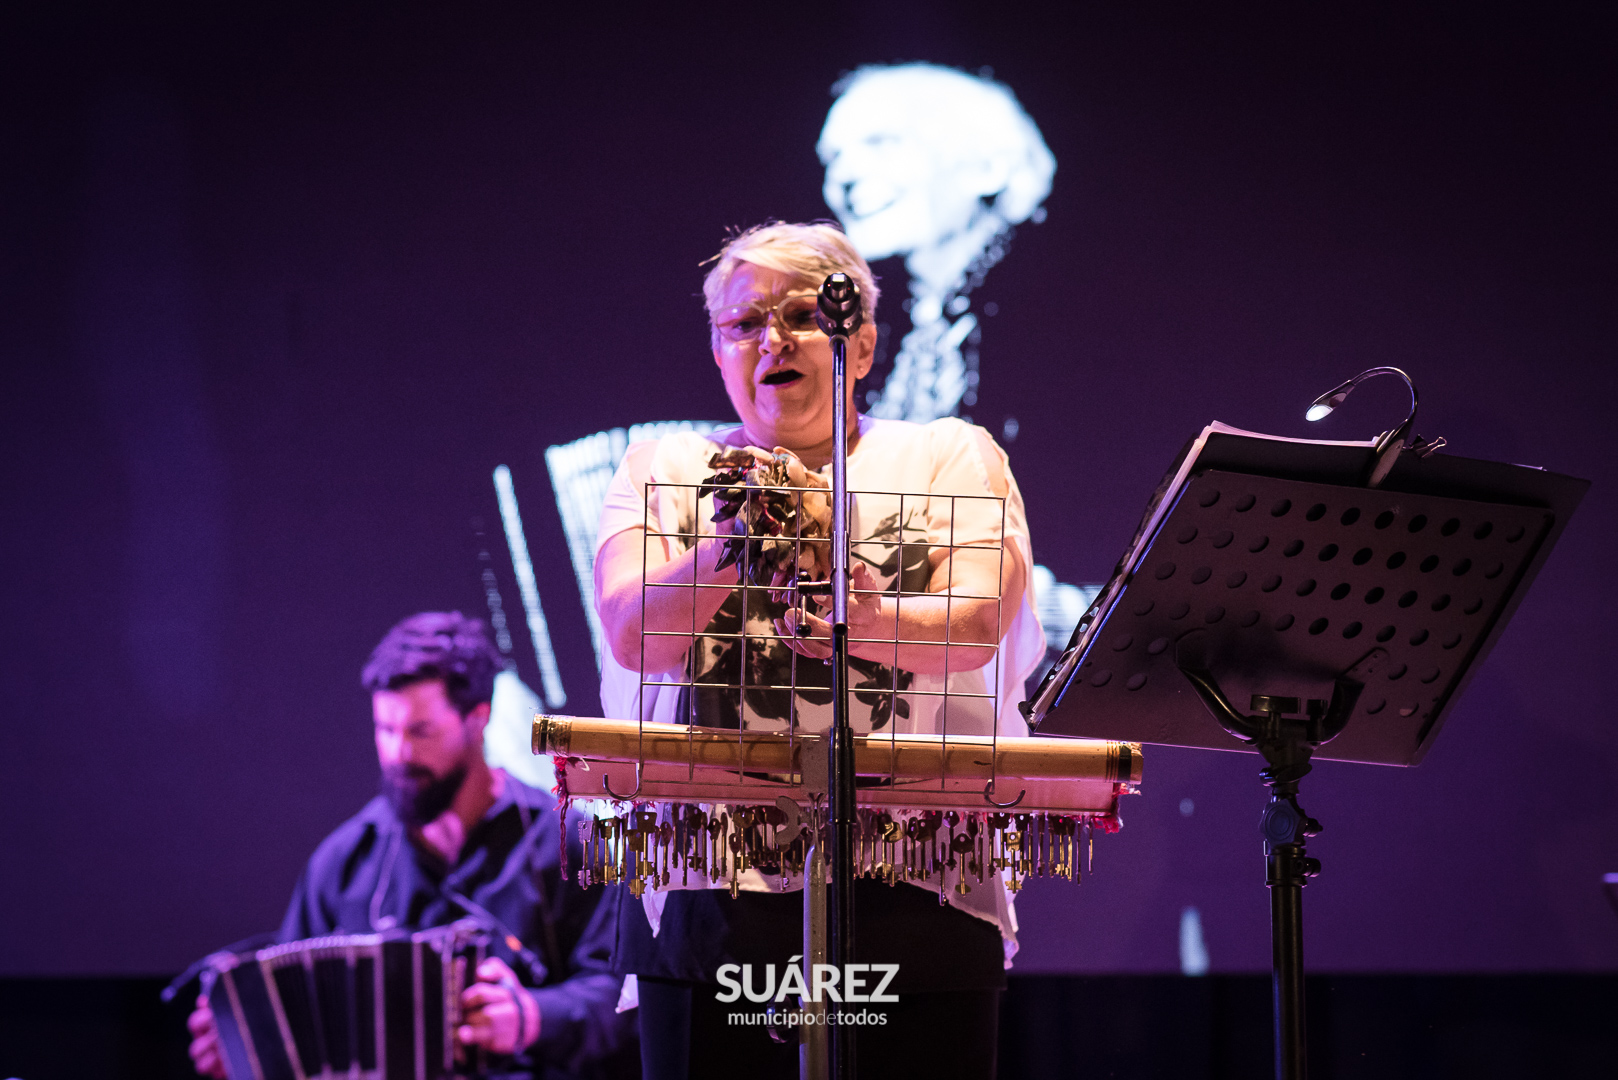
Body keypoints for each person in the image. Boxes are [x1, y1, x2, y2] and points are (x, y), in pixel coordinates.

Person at [592, 222, 1046, 1079]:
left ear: (861, 344)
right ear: (718, 352)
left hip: (916, 880)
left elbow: (980, 622)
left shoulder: (947, 454)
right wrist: (738, 535)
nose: (773, 340)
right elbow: (632, 636)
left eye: (803, 315)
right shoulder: (666, 467)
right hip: (710, 891)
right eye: (744, 323)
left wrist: (865, 619)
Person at [186, 612, 634, 1080]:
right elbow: (288, 1015)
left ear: (478, 718)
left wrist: (534, 1017)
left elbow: (623, 996)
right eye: (385, 729)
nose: (398, 753)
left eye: (421, 731)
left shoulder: (569, 843)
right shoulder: (346, 862)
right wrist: (244, 1047)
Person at [818, 62, 1056, 424]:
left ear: (987, 167)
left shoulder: (1056, 315)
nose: (842, 176)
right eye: (832, 157)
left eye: (882, 143)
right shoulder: (874, 322)